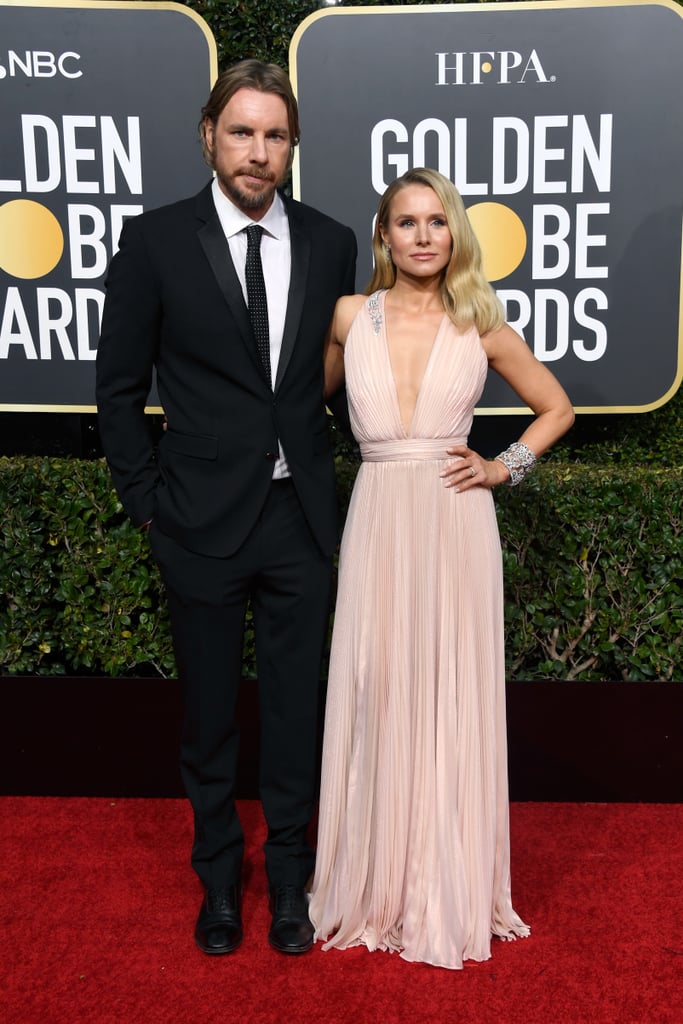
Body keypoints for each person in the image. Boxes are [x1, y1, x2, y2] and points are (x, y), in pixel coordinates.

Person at [95, 60, 357, 957]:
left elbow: (330, 382)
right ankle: (218, 882)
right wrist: (146, 505)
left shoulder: (329, 243)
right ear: (207, 134)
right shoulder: (155, 240)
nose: (257, 151)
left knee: (295, 713)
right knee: (208, 718)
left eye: (274, 135)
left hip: (299, 521)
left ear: (292, 147)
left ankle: (289, 879)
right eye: (241, 131)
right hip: (196, 523)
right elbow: (119, 388)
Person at [308, 167, 574, 970]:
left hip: (454, 521)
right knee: (377, 685)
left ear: (453, 233)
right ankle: (373, 881)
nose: (422, 235)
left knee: (448, 690)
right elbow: (296, 406)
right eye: (405, 222)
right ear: (383, 235)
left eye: (435, 221)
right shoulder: (350, 316)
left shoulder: (481, 323)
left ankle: (443, 882)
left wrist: (502, 468)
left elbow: (555, 407)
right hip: (378, 512)